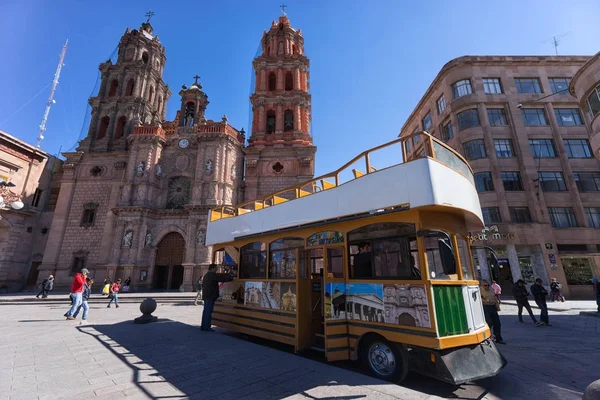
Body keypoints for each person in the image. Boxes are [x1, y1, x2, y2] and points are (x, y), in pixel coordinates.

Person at [201, 264, 233, 332]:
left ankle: (203, 326)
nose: (217, 269)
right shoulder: (212, 275)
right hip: (210, 296)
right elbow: (221, 279)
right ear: (212, 268)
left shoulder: (206, 275)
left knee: (206, 311)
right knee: (208, 312)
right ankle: (207, 327)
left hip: (206, 295)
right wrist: (230, 277)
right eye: (216, 268)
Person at [480, 280, 505, 344]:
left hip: (493, 307)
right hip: (485, 307)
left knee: (497, 323)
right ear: (482, 285)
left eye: (488, 285)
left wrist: (497, 306)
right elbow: (478, 299)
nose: (487, 286)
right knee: (489, 322)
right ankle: (487, 337)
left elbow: (494, 297)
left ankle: (498, 338)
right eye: (485, 285)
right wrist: (486, 300)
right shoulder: (479, 290)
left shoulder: (491, 289)